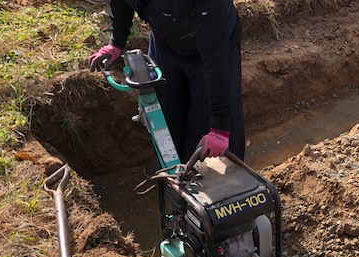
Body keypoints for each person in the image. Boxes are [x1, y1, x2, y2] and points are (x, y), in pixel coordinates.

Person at [88, 0, 245, 165]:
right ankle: (176, 172)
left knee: (205, 129)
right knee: (168, 121)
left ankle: (215, 181)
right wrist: (117, 43)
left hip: (213, 42)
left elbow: (215, 61)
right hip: (167, 43)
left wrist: (219, 129)